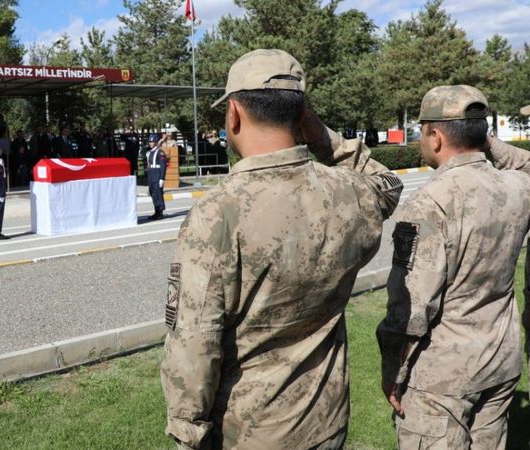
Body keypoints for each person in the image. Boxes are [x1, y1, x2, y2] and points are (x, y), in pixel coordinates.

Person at [160, 49, 403, 449]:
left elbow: (194, 344)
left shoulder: (219, 213)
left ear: (233, 113)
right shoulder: (349, 194)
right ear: (302, 115)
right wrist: (323, 136)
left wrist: (189, 431)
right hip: (326, 419)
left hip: (252, 431)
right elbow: (387, 184)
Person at [376, 85, 530, 450]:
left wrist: (393, 373)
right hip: (499, 359)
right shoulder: (516, 187)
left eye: (421, 132)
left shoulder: (430, 201)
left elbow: (410, 305)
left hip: (442, 376)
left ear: (436, 135)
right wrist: (483, 140)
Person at [145, 135, 167, 220]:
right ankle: (156, 211)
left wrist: (162, 178)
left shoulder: (160, 152)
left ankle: (160, 213)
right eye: (150, 142)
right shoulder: (150, 152)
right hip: (151, 175)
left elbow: (163, 166)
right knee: (153, 193)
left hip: (157, 175)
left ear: (156, 142)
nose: (150, 143)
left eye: (152, 142)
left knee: (158, 194)